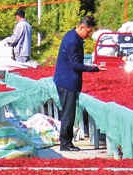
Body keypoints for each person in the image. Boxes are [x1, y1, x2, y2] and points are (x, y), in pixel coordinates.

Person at [53, 14, 102, 152]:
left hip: (65, 79)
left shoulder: (73, 36)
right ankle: (65, 143)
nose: (88, 34)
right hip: (67, 81)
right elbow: (75, 64)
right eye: (88, 31)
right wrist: (94, 68)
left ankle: (66, 141)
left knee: (68, 113)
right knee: (68, 114)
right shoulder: (72, 41)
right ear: (81, 27)